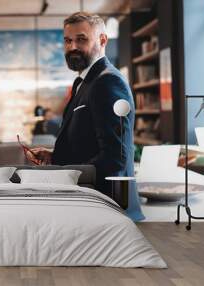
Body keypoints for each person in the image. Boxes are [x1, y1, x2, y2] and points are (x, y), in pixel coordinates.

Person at [27, 11, 144, 221]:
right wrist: (55, 156)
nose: (73, 47)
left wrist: (66, 175)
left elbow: (115, 157)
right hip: (91, 203)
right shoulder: (85, 81)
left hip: (107, 207)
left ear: (102, 40)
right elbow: (88, 142)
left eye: (81, 39)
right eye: (68, 40)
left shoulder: (107, 82)